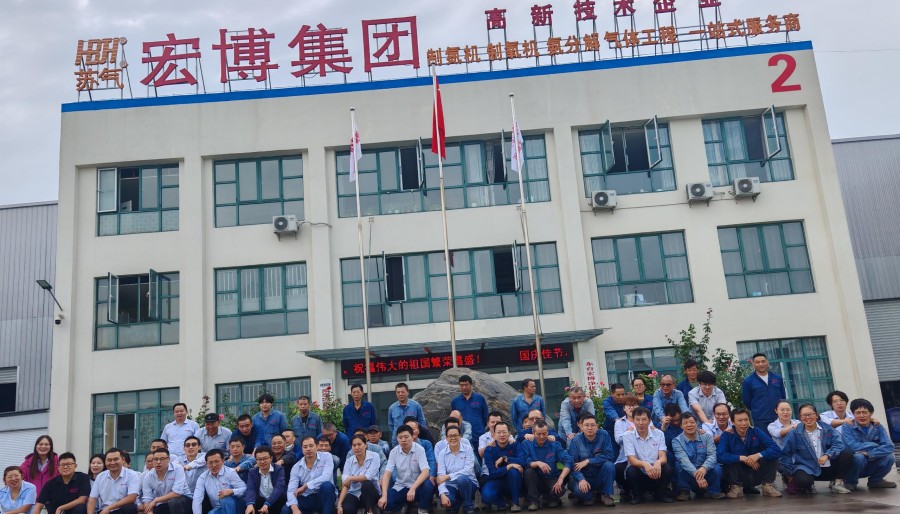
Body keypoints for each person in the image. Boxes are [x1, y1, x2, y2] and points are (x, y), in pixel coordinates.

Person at [778, 403, 854, 495]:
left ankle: (837, 483)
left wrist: (827, 455)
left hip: (827, 465)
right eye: (804, 415)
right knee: (803, 481)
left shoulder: (827, 429)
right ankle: (808, 485)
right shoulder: (795, 433)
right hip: (807, 467)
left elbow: (839, 444)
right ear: (800, 418)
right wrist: (790, 473)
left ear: (816, 415)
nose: (808, 417)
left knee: (847, 453)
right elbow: (786, 453)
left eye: (810, 414)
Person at [716, 407, 782, 498]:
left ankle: (767, 486)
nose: (744, 423)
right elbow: (720, 456)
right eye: (740, 420)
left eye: (746, 420)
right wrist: (742, 458)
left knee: (772, 456)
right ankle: (736, 488)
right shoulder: (727, 435)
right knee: (729, 460)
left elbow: (776, 450)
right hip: (737, 474)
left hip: (755, 471)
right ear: (733, 422)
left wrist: (758, 455)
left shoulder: (756, 431)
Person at [842, 398, 897, 490]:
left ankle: (875, 481)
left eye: (865, 412)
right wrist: (874, 445)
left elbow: (889, 446)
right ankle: (850, 482)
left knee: (889, 457)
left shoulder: (878, 426)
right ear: (853, 414)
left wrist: (869, 453)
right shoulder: (847, 426)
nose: (861, 415)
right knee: (859, 457)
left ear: (871, 413)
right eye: (858, 413)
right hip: (854, 466)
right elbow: (851, 446)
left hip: (871, 462)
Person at [623, 407, 673, 504]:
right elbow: (632, 459)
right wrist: (645, 464)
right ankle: (638, 496)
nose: (641, 423)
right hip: (640, 473)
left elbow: (663, 457)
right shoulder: (627, 435)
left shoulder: (659, 434)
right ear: (633, 421)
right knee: (631, 471)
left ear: (649, 420)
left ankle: (661, 495)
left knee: (667, 468)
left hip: (656, 472)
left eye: (644, 419)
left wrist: (658, 462)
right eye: (637, 419)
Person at [377, 425, 432, 514]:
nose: (403, 440)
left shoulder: (419, 449)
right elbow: (387, 474)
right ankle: (403, 504)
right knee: (386, 504)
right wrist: (384, 496)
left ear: (412, 436)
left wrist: (413, 488)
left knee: (428, 485)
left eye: (406, 437)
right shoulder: (394, 452)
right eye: (400, 437)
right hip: (401, 486)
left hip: (416, 487)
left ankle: (423, 509)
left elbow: (426, 472)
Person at [519, 420, 571, 510]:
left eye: (544, 433)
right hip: (535, 480)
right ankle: (534, 501)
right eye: (538, 434)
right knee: (528, 471)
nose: (542, 437)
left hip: (551, 477)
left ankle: (551, 497)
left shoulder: (555, 444)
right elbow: (525, 461)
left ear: (548, 432)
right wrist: (538, 463)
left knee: (559, 491)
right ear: (533, 433)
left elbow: (568, 460)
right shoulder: (526, 444)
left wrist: (561, 479)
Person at [671, 413, 724, 500]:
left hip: (706, 472)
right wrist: (697, 474)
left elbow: (712, 455)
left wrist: (704, 468)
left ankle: (713, 491)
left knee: (717, 467)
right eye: (685, 423)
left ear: (696, 424)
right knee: (678, 465)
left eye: (692, 422)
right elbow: (683, 460)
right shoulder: (676, 441)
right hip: (690, 474)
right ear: (681, 426)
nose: (689, 425)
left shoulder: (706, 437)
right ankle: (684, 491)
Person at [567, 413, 616, 507]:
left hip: (599, 474)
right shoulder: (576, 440)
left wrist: (588, 461)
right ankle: (588, 495)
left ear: (597, 426)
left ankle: (606, 495)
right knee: (582, 494)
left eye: (592, 425)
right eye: (586, 425)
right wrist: (581, 479)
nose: (590, 428)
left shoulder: (604, 435)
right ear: (581, 426)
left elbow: (609, 455)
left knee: (609, 465)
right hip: (584, 476)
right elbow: (573, 463)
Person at [286, 436, 336, 514]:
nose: (308, 449)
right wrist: (295, 508)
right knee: (286, 510)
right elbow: (291, 490)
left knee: (327, 485)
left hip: (323, 496)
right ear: (302, 449)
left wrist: (306, 486)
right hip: (307, 497)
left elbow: (326, 477)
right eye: (305, 447)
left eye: (311, 446)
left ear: (317, 446)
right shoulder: (296, 467)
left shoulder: (326, 456)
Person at [435, 425, 478, 514]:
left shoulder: (468, 449)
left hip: (468, 483)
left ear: (460, 436)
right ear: (446, 438)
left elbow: (468, 471)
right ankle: (457, 504)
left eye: (455, 435)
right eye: (450, 436)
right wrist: (442, 494)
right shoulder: (442, 453)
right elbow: (441, 476)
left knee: (462, 479)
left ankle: (468, 506)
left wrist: (448, 476)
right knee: (449, 501)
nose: (453, 438)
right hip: (451, 485)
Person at [482, 422, 524, 511]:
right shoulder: (489, 450)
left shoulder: (515, 445)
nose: (501, 435)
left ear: (509, 433)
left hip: (513, 481)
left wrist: (506, 458)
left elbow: (523, 461)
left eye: (504, 432)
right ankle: (502, 503)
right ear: (494, 435)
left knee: (514, 471)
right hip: (496, 481)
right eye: (499, 432)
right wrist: (509, 466)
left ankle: (515, 503)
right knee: (487, 495)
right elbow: (492, 473)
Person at [191, 450, 246, 514]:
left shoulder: (230, 473)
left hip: (236, 506)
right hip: (219, 508)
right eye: (210, 462)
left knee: (225, 499)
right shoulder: (203, 477)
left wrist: (232, 491)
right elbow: (197, 498)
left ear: (223, 461)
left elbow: (245, 489)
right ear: (206, 464)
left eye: (216, 461)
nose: (214, 465)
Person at [740, 353, 786, 430]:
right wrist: (758, 409)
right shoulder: (748, 381)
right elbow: (746, 400)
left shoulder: (777, 378)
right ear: (753, 364)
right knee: (763, 437)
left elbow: (782, 397)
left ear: (767, 362)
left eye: (763, 361)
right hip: (760, 419)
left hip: (778, 417)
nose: (761, 364)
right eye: (757, 362)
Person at [87, 448, 140, 514]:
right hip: (104, 512)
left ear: (123, 460)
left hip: (122, 510)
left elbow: (131, 498)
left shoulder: (132, 474)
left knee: (130, 508)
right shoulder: (100, 476)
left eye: (116, 459)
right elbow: (92, 498)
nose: (112, 463)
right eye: (109, 460)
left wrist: (109, 508)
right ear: (105, 462)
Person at [337, 436, 380, 514]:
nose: (357, 448)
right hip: (354, 493)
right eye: (354, 445)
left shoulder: (374, 456)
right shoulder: (349, 461)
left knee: (367, 484)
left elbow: (368, 476)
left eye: (359, 444)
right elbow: (346, 484)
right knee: (347, 509)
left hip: (371, 493)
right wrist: (339, 504)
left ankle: (370, 511)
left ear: (365, 445)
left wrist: (350, 478)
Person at [141, 448, 190, 514]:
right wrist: (149, 512)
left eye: (162, 459)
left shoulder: (178, 469)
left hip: (184, 501)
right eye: (155, 459)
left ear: (168, 459)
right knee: (156, 510)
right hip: (163, 503)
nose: (158, 462)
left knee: (174, 502)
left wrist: (156, 500)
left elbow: (177, 493)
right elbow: (147, 499)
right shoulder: (148, 476)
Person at [613, 394, 641, 503]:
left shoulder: (645, 420)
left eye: (634, 405)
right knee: (617, 468)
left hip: (644, 455)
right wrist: (628, 432)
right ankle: (626, 489)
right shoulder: (619, 422)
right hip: (626, 456)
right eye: (628, 405)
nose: (631, 407)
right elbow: (618, 440)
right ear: (624, 408)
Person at [242, 446, 285, 514]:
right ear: (256, 460)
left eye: (265, 458)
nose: (262, 462)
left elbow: (279, 488)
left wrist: (267, 504)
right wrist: (250, 504)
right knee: (248, 507)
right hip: (260, 501)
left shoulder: (279, 469)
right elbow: (251, 489)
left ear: (271, 458)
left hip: (275, 500)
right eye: (259, 459)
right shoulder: (252, 472)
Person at [450, 375, 489, 449]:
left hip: (478, 435)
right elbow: (453, 419)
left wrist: (480, 427)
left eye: (466, 385)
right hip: (463, 437)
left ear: (471, 385)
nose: (464, 387)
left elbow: (485, 416)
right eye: (462, 385)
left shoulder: (480, 398)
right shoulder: (455, 401)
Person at [20, 435, 59, 500]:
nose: (43, 446)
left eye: (46, 444)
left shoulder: (58, 463)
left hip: (52, 502)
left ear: (50, 447)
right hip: (31, 502)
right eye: (40, 444)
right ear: (36, 446)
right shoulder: (27, 464)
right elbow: (17, 478)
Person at [601, 384, 625, 456]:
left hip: (625, 430)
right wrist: (617, 419)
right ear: (612, 394)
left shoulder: (626, 399)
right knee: (614, 453)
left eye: (623, 394)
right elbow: (610, 411)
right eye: (618, 395)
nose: (621, 397)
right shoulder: (607, 401)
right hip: (611, 431)